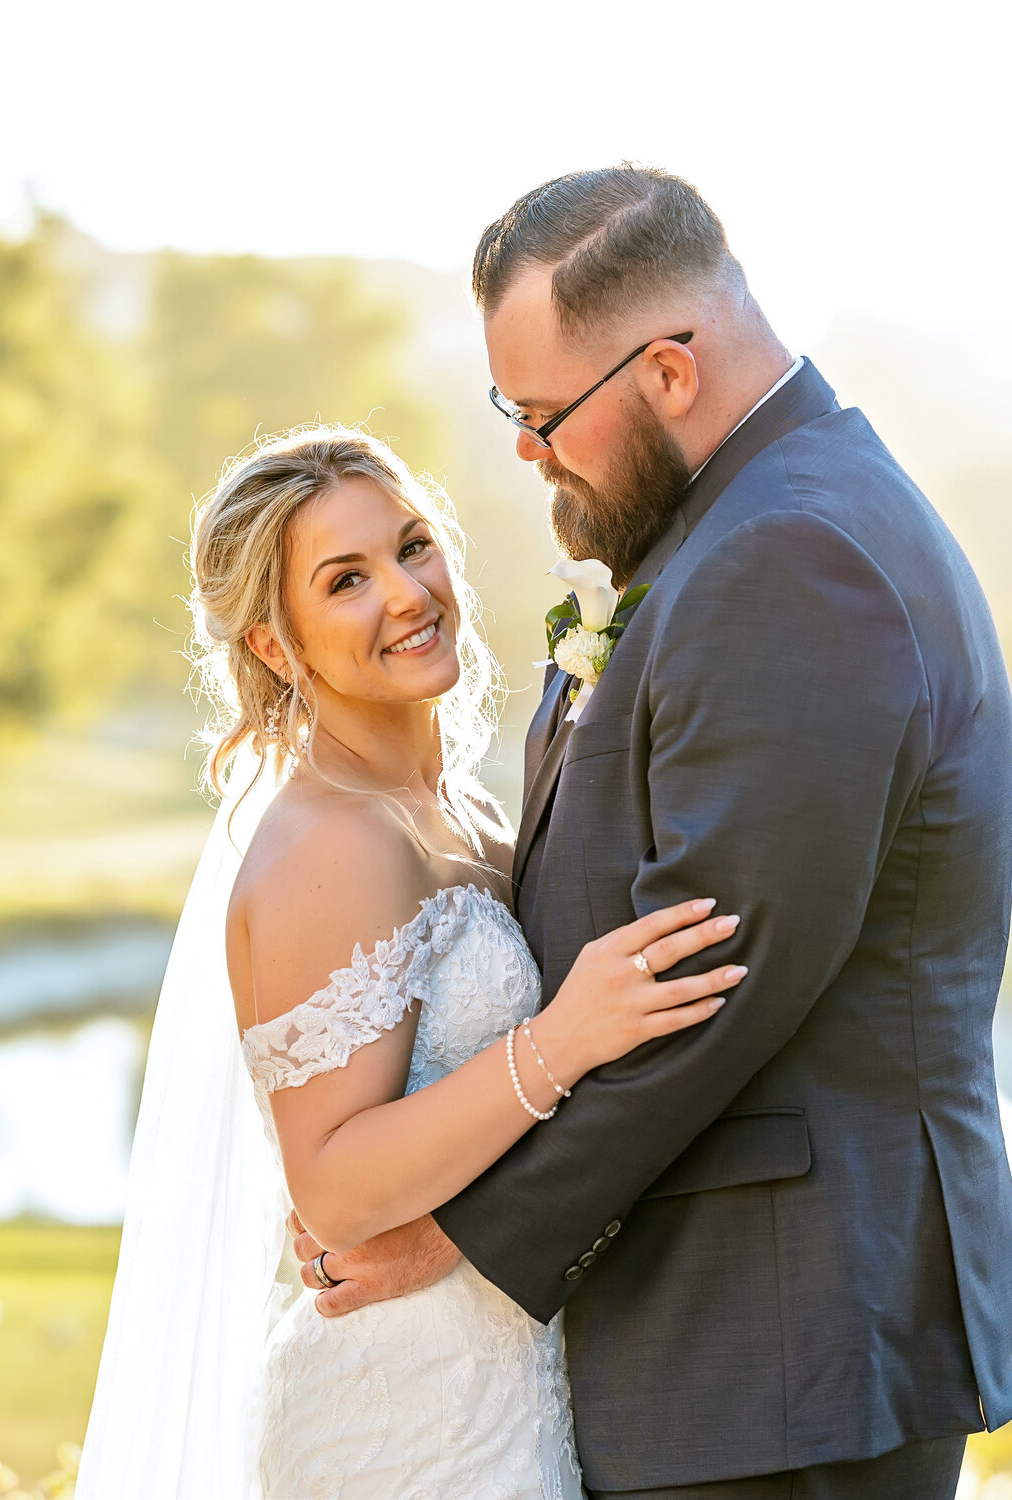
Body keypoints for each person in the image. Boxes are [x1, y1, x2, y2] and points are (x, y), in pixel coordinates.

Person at [291, 166, 1012, 1499]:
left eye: (545, 415)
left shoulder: (788, 556)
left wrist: (453, 1235)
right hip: (750, 1353)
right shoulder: (746, 529)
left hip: (780, 1347)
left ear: (671, 374)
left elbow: (701, 986)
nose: (528, 453)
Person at [80, 423, 742, 1499]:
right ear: (273, 646)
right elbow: (334, 1191)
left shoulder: (468, 810)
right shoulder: (327, 845)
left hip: (504, 1383)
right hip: (401, 1418)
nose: (406, 592)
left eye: (413, 544)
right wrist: (561, 1042)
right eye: (346, 580)